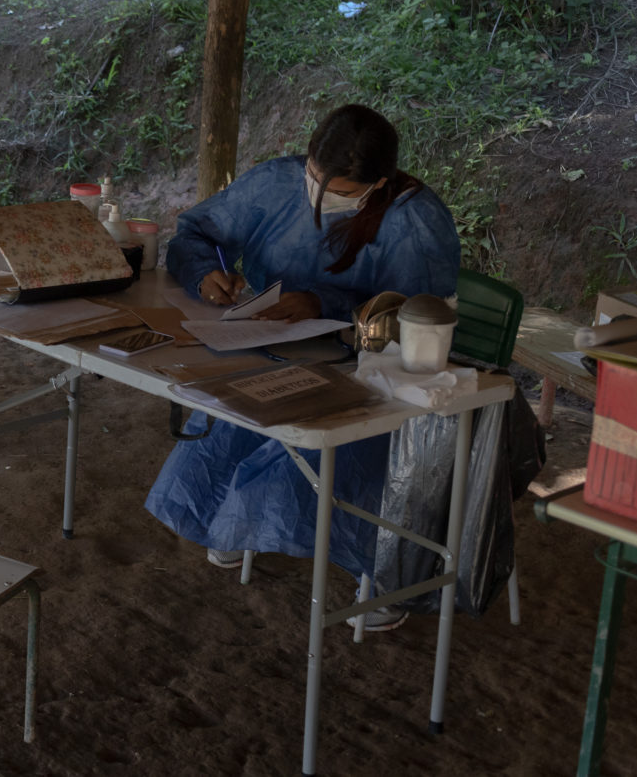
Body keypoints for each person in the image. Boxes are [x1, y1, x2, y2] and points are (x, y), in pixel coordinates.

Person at [144, 104, 459, 624]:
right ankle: (234, 527)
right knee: (230, 417)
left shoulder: (414, 221)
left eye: (339, 189)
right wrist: (205, 274)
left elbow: (418, 318)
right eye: (314, 177)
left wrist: (325, 306)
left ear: (378, 183)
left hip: (372, 371)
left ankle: (377, 574)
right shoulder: (275, 183)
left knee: (319, 460)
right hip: (271, 346)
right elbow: (194, 233)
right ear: (307, 159)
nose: (317, 193)